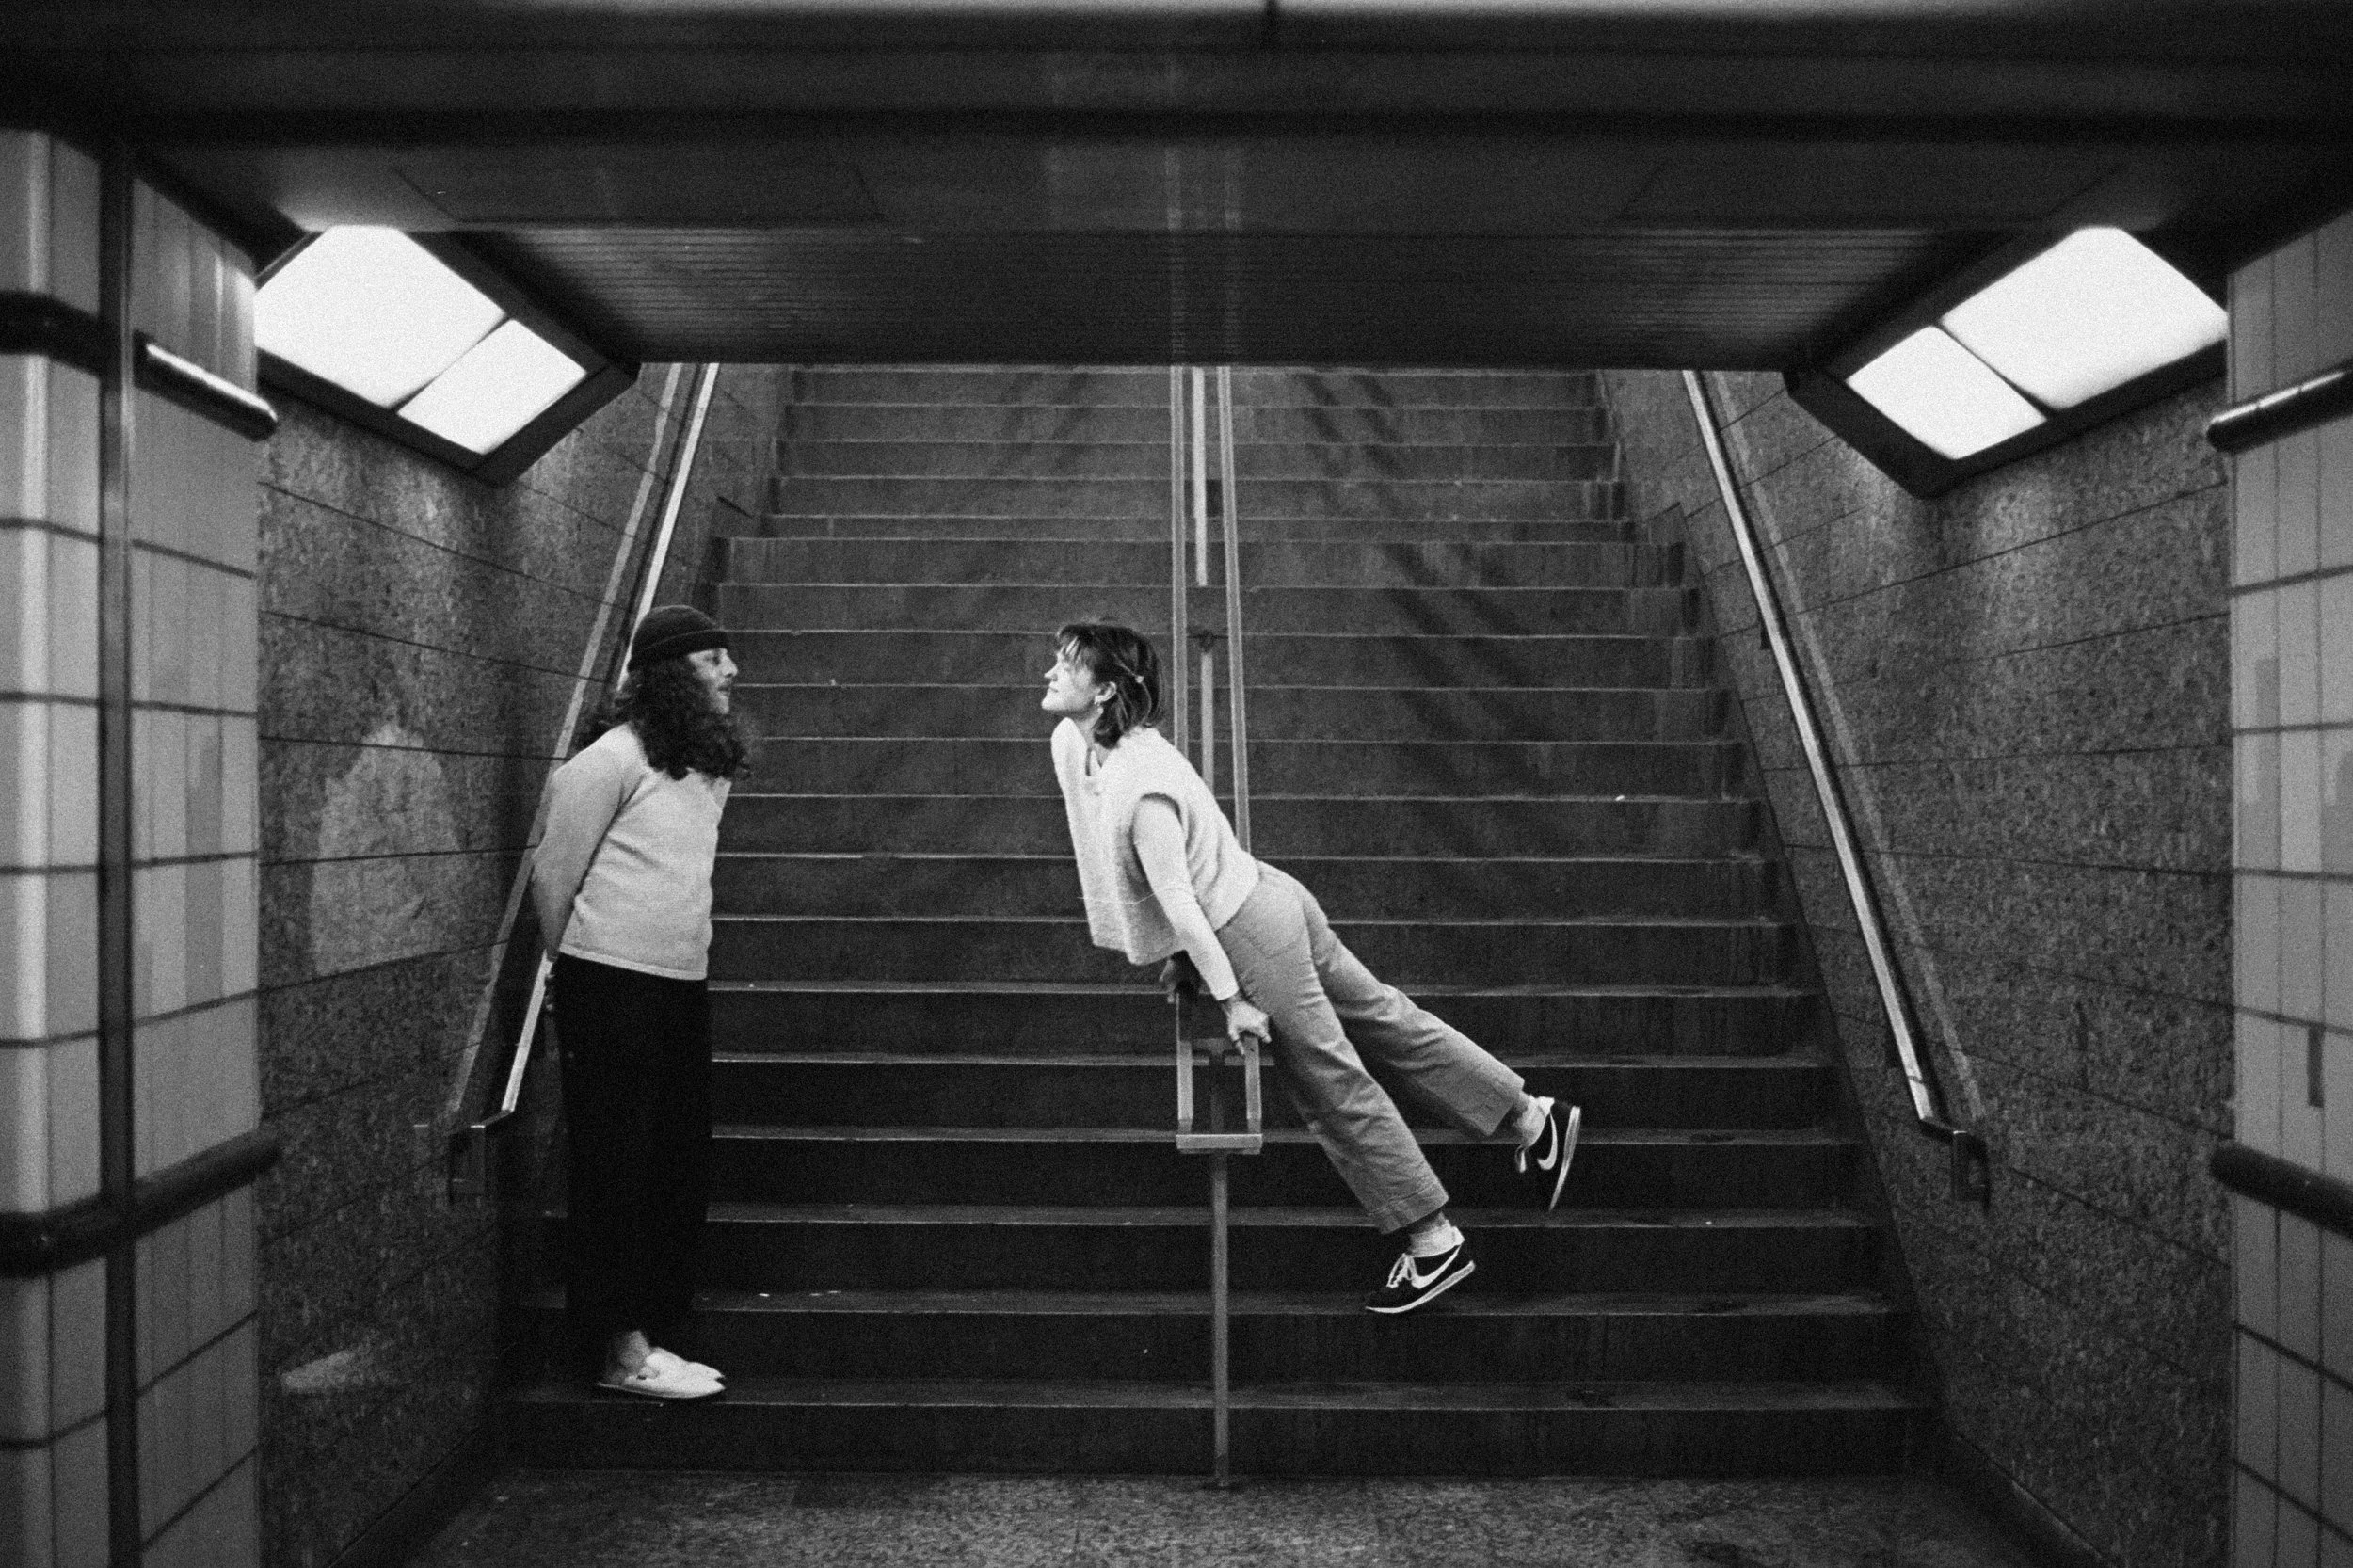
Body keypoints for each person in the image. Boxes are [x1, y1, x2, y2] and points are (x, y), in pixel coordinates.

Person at [1042, 620, 1578, 1313]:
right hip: (1267, 896)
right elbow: (1132, 849)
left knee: (1330, 1083)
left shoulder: (1140, 787)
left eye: (1068, 664)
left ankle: (1433, 1242)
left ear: (1106, 689)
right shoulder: (1087, 747)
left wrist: (1231, 998)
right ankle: (1535, 1120)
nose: (1050, 672)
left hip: (1247, 930)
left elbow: (1180, 903)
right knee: (1384, 1019)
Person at [532, 605, 747, 1399]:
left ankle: (651, 1328)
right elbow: (553, 879)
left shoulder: (702, 766)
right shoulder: (606, 762)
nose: (731, 672)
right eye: (713, 659)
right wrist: (579, 971)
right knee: (613, 1167)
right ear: (670, 674)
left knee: (676, 1160)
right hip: (610, 984)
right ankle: (614, 1351)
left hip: (680, 982)